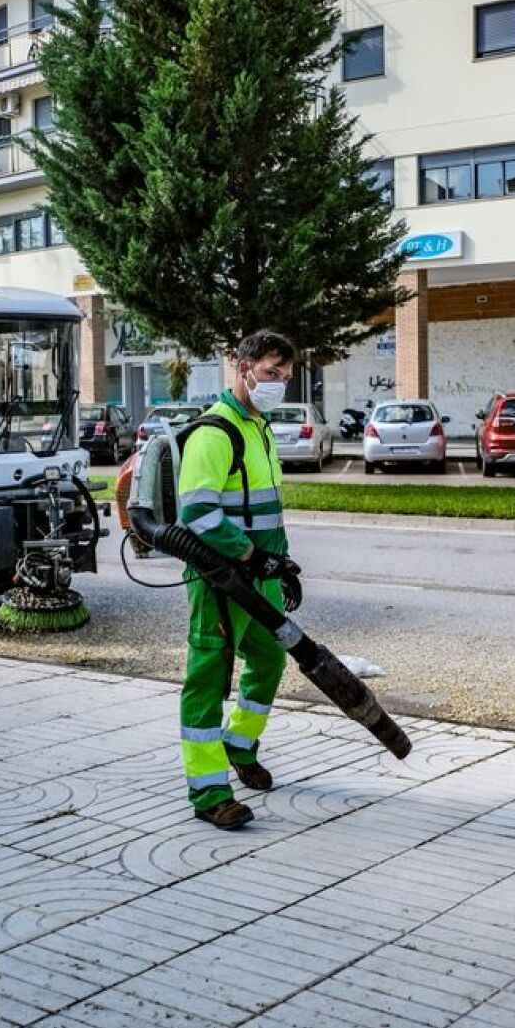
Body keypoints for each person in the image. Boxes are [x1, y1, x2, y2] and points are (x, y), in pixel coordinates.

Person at [176, 330, 297, 829]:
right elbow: (197, 513)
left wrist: (282, 564)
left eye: (286, 377)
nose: (279, 384)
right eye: (271, 373)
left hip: (261, 574)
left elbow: (267, 509)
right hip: (221, 579)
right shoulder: (216, 431)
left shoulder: (259, 427)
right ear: (242, 367)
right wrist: (251, 555)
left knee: (268, 659)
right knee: (208, 678)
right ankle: (208, 792)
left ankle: (239, 746)